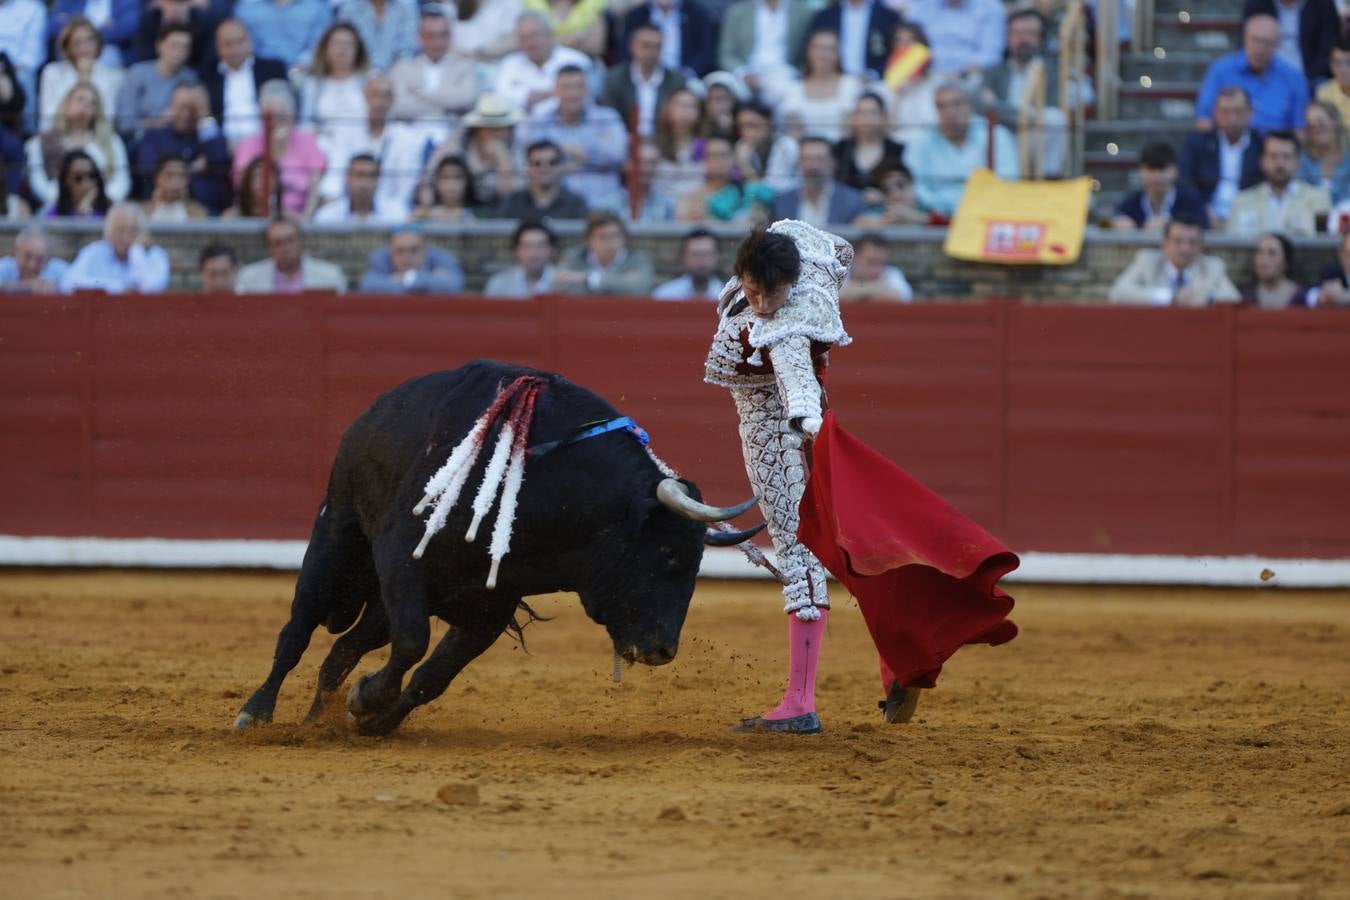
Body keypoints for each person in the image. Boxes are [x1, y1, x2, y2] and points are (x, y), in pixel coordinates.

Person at [704, 221, 851, 734]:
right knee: (832, 548)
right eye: (753, 290)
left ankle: (800, 702)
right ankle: (904, 655)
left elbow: (795, 378)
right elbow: (840, 248)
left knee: (797, 552)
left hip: (778, 430)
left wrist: (806, 422)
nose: (764, 303)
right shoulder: (797, 254)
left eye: (774, 292)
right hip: (785, 422)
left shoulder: (791, 318)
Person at [977, 8, 1087, 179]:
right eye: (1017, 33)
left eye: (1030, 33)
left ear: (1041, 39)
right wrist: (1024, 114)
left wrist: (1004, 110)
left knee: (1054, 119)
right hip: (1002, 136)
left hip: (1035, 136)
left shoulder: (1055, 70)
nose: (1023, 39)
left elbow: (1054, 105)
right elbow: (983, 106)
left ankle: (1049, 182)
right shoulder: (994, 71)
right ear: (1008, 38)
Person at [516, 65, 630, 213]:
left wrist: (558, 152)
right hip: (558, 209)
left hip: (605, 206)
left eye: (579, 87)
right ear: (555, 91)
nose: (573, 93)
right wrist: (589, 158)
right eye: (566, 87)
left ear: (588, 91)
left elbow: (616, 155)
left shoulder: (607, 117)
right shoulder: (540, 121)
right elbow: (531, 160)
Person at [315, 75, 430, 218]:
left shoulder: (408, 138)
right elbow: (335, 173)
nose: (380, 102)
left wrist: (389, 209)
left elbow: (406, 187)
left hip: (389, 209)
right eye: (375, 95)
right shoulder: (346, 130)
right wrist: (332, 202)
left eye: (385, 96)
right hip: (347, 206)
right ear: (365, 97)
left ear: (393, 100)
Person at [904, 81, 1017, 220]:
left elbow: (1009, 181)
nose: (950, 112)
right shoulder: (921, 144)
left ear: (970, 107)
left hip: (988, 217)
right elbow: (917, 188)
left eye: (957, 104)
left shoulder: (996, 135)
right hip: (936, 219)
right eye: (942, 106)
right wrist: (947, 210)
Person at [1195, 14, 1308, 133]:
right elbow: (1204, 119)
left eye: (1266, 42)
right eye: (1255, 40)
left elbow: (1299, 128)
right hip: (1231, 145)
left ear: (1277, 44)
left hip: (1275, 146)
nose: (1259, 48)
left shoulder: (1294, 78)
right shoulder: (1220, 71)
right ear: (1245, 39)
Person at [231, 81, 327, 217]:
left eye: (282, 116)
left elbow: (315, 190)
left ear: (292, 115)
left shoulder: (307, 141)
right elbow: (242, 188)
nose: (276, 123)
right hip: (256, 215)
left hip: (299, 220)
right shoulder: (248, 145)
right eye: (271, 117)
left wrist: (305, 221)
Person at [26, 83, 131, 208]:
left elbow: (122, 181)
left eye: (92, 103)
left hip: (102, 208)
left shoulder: (111, 140)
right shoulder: (41, 141)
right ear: (66, 103)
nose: (85, 106)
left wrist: (99, 199)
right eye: (80, 99)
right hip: (57, 208)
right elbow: (38, 182)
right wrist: (66, 200)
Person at [134, 83, 231, 214]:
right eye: (181, 107)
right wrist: (190, 169)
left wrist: (205, 116)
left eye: (192, 109)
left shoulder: (207, 134)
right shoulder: (155, 136)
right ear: (171, 107)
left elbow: (219, 159)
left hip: (206, 212)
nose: (186, 114)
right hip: (162, 208)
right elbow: (149, 168)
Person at [1108, 215, 1241, 306]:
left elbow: (1234, 298)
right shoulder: (1147, 260)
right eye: (1178, 241)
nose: (1185, 249)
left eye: (1192, 242)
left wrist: (1207, 298)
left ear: (1201, 246)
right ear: (1165, 243)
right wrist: (1170, 297)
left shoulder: (1212, 266)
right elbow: (1118, 292)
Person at [1179, 86, 1262, 227]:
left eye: (1238, 111)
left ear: (1250, 113)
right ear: (1215, 113)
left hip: (1250, 218)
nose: (1231, 118)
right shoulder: (1198, 143)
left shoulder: (1261, 145)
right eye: (1225, 111)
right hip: (1206, 217)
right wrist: (1204, 212)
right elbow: (1185, 182)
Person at [200, 19, 288, 148]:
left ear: (249, 42)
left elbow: (286, 107)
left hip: (266, 141)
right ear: (218, 47)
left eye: (239, 41)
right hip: (224, 145)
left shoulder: (272, 69)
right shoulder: (208, 75)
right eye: (228, 44)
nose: (235, 49)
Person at [1225, 131, 1331, 235]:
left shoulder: (1318, 199)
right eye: (1273, 156)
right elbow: (1232, 247)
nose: (1279, 163)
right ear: (1262, 161)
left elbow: (1322, 247)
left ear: (1297, 162)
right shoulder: (1242, 201)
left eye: (1286, 156)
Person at [388, 9, 479, 126]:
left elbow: (467, 99)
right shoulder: (403, 68)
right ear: (419, 37)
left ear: (450, 36)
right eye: (431, 35)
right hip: (409, 135)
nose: (437, 42)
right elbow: (398, 106)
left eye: (442, 35)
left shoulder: (464, 66)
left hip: (453, 135)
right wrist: (447, 109)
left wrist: (420, 93)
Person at [599, 23, 688, 138]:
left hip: (665, 144)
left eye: (657, 46)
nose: (651, 52)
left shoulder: (676, 81)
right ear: (632, 47)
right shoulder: (615, 78)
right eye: (646, 46)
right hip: (624, 142)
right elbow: (609, 117)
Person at [774, 30, 865, 142]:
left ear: (839, 53)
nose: (823, 54)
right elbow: (793, 132)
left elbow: (850, 130)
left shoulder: (851, 85)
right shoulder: (793, 88)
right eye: (818, 48)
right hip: (803, 154)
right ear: (808, 51)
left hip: (842, 151)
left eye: (829, 49)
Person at [60, 203, 171, 294]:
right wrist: (120, 288)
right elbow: (68, 283)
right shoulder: (94, 251)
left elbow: (150, 288)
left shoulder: (155, 254)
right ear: (108, 233)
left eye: (133, 230)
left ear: (142, 233)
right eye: (120, 230)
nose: (126, 237)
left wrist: (136, 252)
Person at [114, 23, 200, 141]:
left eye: (185, 47)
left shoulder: (191, 78)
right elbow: (124, 123)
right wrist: (159, 122)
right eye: (174, 45)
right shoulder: (137, 73)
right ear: (159, 45)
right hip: (140, 141)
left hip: (179, 141)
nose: (179, 52)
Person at [716, 0, 813, 104]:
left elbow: (808, 51)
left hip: (784, 74)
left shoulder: (803, 12)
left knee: (783, 93)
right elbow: (726, 53)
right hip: (744, 72)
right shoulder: (738, 12)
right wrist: (743, 73)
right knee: (718, 88)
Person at [39, 16, 125, 132]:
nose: (84, 48)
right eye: (77, 42)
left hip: (98, 138)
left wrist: (87, 78)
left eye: (90, 40)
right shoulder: (52, 73)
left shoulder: (112, 77)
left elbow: (107, 119)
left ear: (98, 43)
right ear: (67, 47)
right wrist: (82, 80)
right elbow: (47, 119)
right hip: (60, 135)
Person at [494, 13, 592, 113]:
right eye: (524, 38)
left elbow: (582, 99)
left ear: (550, 35)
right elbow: (502, 100)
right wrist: (554, 93)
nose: (530, 43)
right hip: (520, 125)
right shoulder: (508, 64)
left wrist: (528, 96)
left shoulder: (576, 60)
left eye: (534, 35)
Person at [299, 23, 371, 154]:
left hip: (363, 144)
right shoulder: (313, 84)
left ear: (358, 50)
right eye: (336, 43)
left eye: (348, 44)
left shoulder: (369, 80)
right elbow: (305, 125)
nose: (342, 49)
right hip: (324, 148)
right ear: (325, 48)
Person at [675, 133, 772, 224]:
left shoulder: (746, 191)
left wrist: (743, 164)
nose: (717, 160)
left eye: (723, 155)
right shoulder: (692, 199)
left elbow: (767, 196)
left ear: (733, 158)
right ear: (704, 159)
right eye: (712, 155)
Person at [1112, 142, 1210, 232]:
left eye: (1162, 169)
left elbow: (1204, 229)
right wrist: (1120, 224)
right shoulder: (1129, 204)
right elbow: (1115, 221)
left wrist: (1172, 225)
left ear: (1175, 170)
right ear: (1140, 171)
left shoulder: (1191, 202)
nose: (1157, 176)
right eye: (1151, 169)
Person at [770, 135, 866, 226]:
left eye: (819, 159)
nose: (813, 166)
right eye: (806, 159)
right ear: (798, 163)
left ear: (833, 162)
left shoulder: (853, 201)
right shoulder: (781, 203)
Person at [236, 216, 348, 294]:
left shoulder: (330, 276)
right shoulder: (248, 278)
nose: (285, 248)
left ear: (300, 241)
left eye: (290, 240)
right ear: (269, 248)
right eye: (277, 243)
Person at [553, 210, 655, 294]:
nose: (610, 242)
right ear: (589, 240)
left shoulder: (638, 258)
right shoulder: (575, 256)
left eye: (615, 235)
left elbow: (640, 288)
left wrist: (587, 279)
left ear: (624, 238)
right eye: (602, 237)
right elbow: (557, 285)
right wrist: (622, 282)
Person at [1241, 0, 1339, 85]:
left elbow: (1328, 50)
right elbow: (1247, 43)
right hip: (1264, 73)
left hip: (1309, 76)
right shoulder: (1257, 4)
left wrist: (1303, 78)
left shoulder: (1323, 4)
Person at [617, 0, 719, 78]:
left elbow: (706, 51)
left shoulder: (697, 14)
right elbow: (625, 52)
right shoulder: (636, 16)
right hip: (643, 78)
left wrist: (688, 74)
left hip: (687, 78)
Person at [805, 0, 901, 80]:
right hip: (832, 85)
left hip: (876, 84)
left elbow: (898, 53)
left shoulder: (889, 17)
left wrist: (873, 75)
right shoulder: (824, 16)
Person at [904, 0, 1006, 75]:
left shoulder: (990, 7)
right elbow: (906, 46)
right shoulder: (921, 6)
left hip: (971, 75)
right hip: (925, 74)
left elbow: (991, 55)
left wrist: (966, 71)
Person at [495, 139, 589, 220]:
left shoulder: (575, 203)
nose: (545, 169)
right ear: (528, 168)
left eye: (552, 163)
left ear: (561, 166)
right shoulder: (513, 202)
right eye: (537, 163)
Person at [358, 225, 466, 293]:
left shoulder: (440, 257)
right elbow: (368, 285)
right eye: (400, 251)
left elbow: (453, 285)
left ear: (424, 252)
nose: (407, 257)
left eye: (414, 250)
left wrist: (405, 279)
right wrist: (429, 280)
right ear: (391, 253)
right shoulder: (381, 258)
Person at [834, 92, 905, 195]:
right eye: (861, 113)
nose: (866, 118)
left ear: (883, 116)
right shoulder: (841, 149)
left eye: (872, 113)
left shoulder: (897, 151)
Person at [234, 0, 332, 70]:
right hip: (262, 74)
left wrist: (299, 66)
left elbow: (320, 45)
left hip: (306, 72)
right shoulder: (246, 11)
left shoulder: (318, 9)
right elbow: (245, 48)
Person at [313, 154, 404, 224]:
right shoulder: (327, 216)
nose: (365, 182)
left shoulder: (396, 214)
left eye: (371, 176)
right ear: (348, 178)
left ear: (378, 180)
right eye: (359, 175)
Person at [653, 87, 709, 199]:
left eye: (690, 106)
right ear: (667, 109)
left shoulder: (707, 146)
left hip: (696, 206)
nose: (684, 111)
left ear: (699, 112)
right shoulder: (654, 144)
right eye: (679, 105)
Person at [733, 100, 800, 194]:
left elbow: (769, 193)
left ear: (769, 123)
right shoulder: (742, 146)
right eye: (742, 127)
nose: (746, 132)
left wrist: (744, 165)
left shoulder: (786, 145)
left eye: (752, 125)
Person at [336, 0, 419, 72]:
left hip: (396, 72)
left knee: (405, 69)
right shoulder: (350, 6)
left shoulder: (407, 5)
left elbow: (408, 49)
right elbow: (346, 42)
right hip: (359, 69)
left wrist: (385, 77)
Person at [483, 219, 558, 297]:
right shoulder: (499, 283)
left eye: (541, 246)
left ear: (552, 250)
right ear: (516, 250)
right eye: (527, 246)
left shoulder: (565, 283)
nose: (534, 252)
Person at [1296, 101, 1350, 203]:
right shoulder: (1303, 159)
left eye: (1320, 122)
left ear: (1335, 122)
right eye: (1310, 125)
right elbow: (1299, 194)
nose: (1316, 128)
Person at [1241, 232, 1309, 308]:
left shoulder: (1304, 297)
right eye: (1259, 252)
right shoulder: (1245, 296)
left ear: (1286, 261)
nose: (1263, 258)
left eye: (1272, 253)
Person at [839, 232, 913, 302]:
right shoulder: (838, 272)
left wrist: (854, 292)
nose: (876, 269)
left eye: (882, 263)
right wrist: (877, 290)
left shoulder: (892, 273)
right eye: (871, 262)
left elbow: (901, 297)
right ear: (853, 257)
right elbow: (833, 296)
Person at [653, 228, 723, 300]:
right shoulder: (665, 296)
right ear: (684, 257)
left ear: (717, 257)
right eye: (696, 254)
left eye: (707, 254)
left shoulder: (730, 298)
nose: (702, 260)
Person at [522, 0, 609, 57]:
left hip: (583, 61)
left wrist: (548, 42)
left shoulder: (592, 5)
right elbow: (525, 39)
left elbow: (596, 46)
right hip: (540, 62)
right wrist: (573, 40)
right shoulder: (532, 5)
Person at [854, 160, 929, 226]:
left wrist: (915, 217)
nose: (896, 195)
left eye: (900, 185)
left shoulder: (925, 208)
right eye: (887, 190)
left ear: (912, 183)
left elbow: (939, 222)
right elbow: (858, 222)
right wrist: (887, 220)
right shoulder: (881, 210)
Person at [0, 227, 69, 293]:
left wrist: (57, 286)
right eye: (27, 256)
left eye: (40, 259)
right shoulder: (5, 266)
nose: (31, 265)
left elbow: (75, 284)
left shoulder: (60, 269)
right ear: (16, 252)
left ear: (48, 259)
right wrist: (26, 285)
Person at [47, 149, 113, 217]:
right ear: (65, 180)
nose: (86, 183)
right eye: (78, 178)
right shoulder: (53, 215)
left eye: (92, 176)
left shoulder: (112, 212)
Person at [413, 155, 481, 222]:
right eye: (445, 177)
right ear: (436, 181)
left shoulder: (477, 215)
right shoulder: (424, 214)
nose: (451, 185)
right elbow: (406, 232)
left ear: (467, 181)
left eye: (457, 177)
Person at [141, 155, 209, 220]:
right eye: (169, 175)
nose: (176, 181)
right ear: (157, 178)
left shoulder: (198, 212)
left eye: (182, 176)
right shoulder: (142, 211)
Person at [1307, 227, 1350, 305]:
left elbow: (1342, 297)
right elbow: (1310, 296)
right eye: (1349, 255)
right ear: (1340, 254)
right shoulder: (1332, 273)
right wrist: (1322, 295)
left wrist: (1344, 296)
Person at [1316, 35, 1350, 127]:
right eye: (1338, 63)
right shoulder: (1324, 93)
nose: (1343, 69)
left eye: (1348, 63)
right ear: (1331, 65)